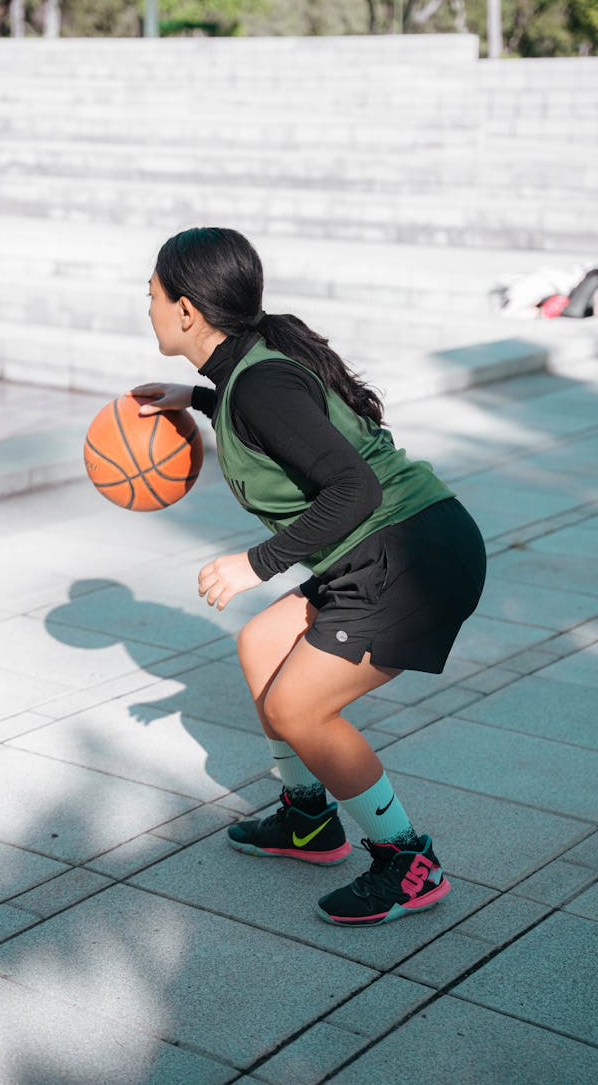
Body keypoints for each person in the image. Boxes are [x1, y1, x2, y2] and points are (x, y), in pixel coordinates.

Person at [133, 227, 486, 928]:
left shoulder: (257, 383)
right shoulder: (252, 367)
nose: (145, 306)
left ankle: (408, 862)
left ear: (185, 312)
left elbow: (354, 489)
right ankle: (306, 819)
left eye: (151, 294)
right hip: (396, 543)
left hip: (409, 554)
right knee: (261, 645)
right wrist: (199, 399)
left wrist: (252, 563)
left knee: (301, 707)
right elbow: (279, 417)